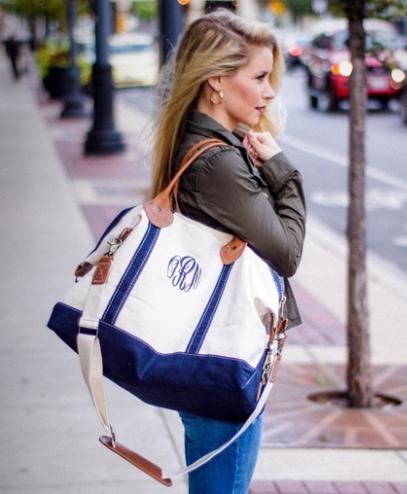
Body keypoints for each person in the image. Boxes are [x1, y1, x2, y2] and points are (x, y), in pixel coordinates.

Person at [151, 9, 306, 494]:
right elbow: (287, 253)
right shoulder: (218, 161)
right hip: (224, 358)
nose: (270, 91)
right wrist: (283, 172)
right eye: (259, 77)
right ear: (217, 81)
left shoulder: (206, 142)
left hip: (207, 351)